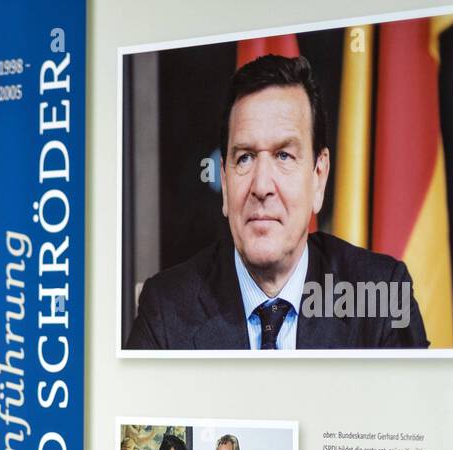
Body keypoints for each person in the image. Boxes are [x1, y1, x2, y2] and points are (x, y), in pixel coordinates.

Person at [125, 54, 430, 351]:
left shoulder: (381, 295)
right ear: (226, 184)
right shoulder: (166, 310)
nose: (261, 187)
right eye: (244, 158)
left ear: (319, 176)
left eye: (284, 155)